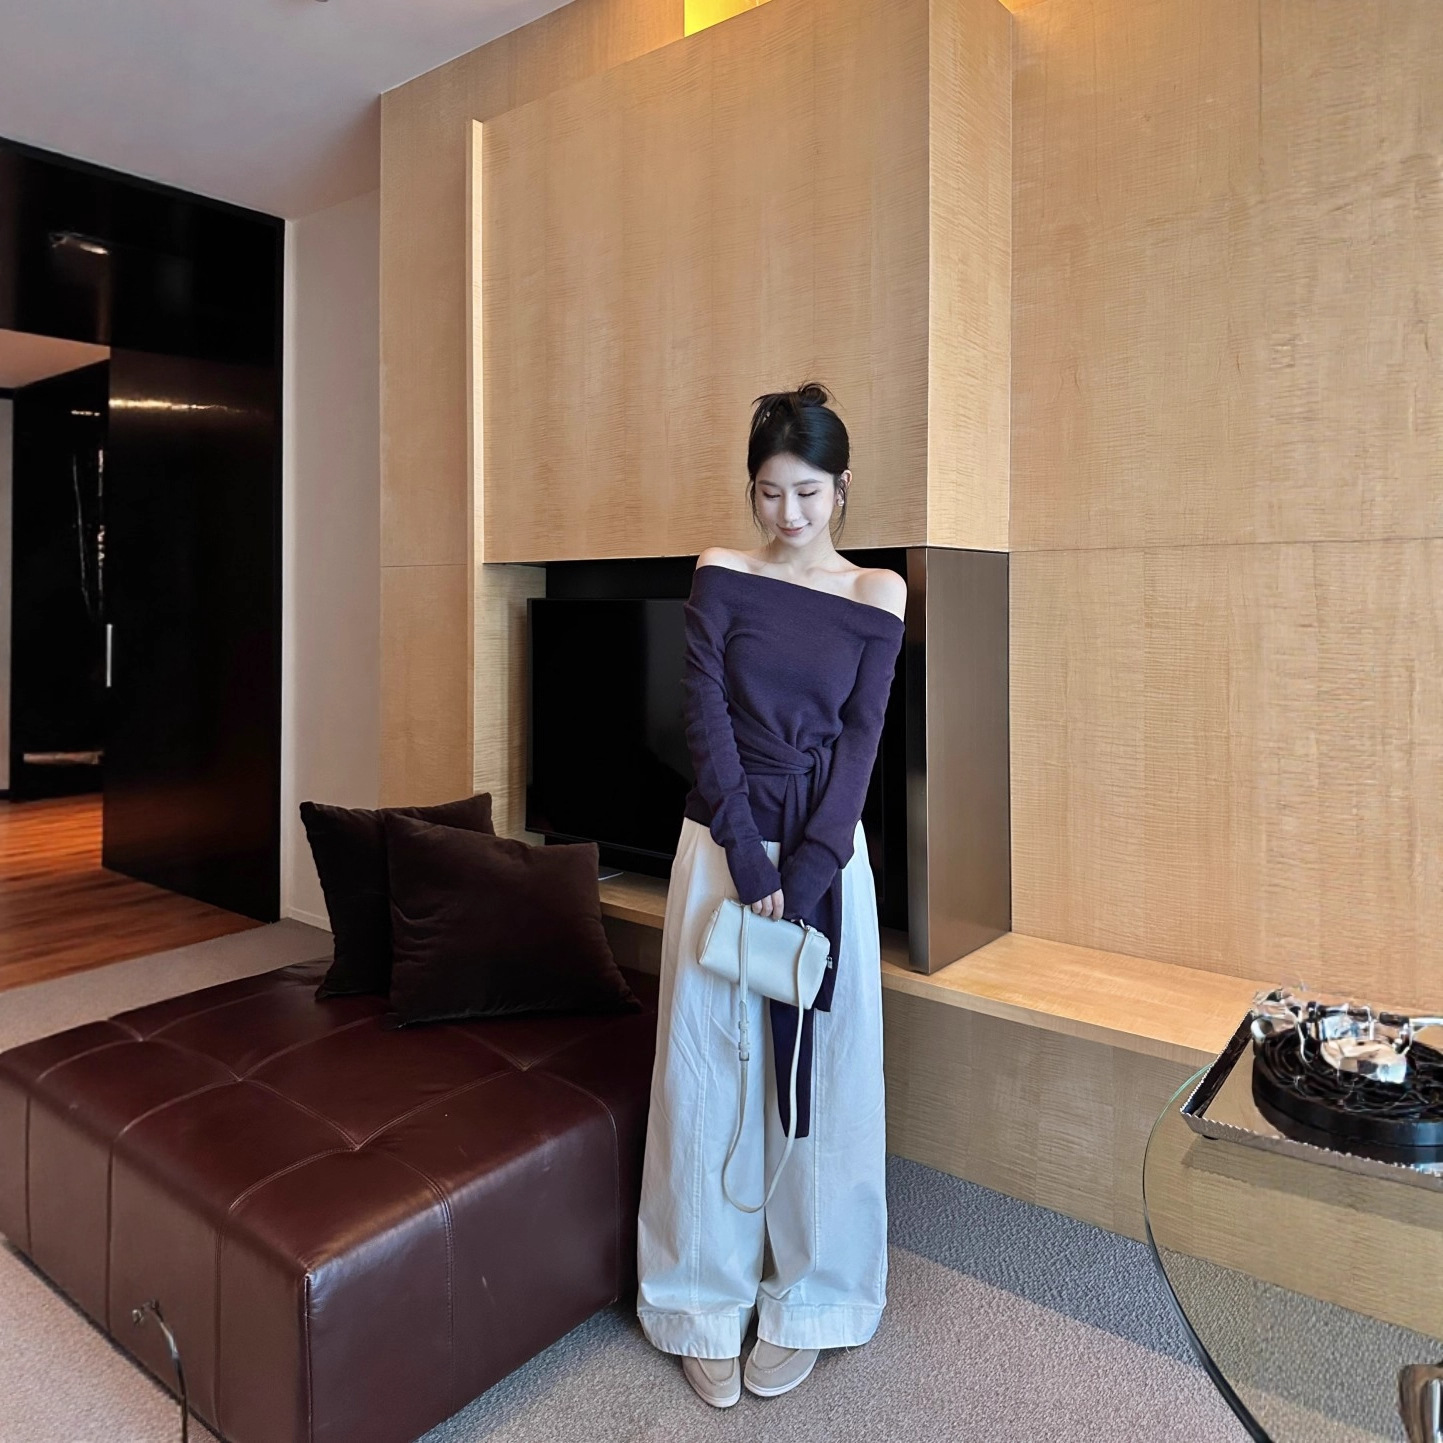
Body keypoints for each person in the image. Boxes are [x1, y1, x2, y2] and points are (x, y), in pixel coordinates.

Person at [636, 383, 907, 1408]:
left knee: (827, 1080)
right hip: (723, 844)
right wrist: (751, 865)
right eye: (768, 492)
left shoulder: (877, 594)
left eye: (806, 492)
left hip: (827, 859)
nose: (787, 513)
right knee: (705, 1072)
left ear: (841, 489)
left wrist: (806, 872)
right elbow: (701, 717)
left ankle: (813, 1300)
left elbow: (861, 745)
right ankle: (698, 1302)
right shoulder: (722, 572)